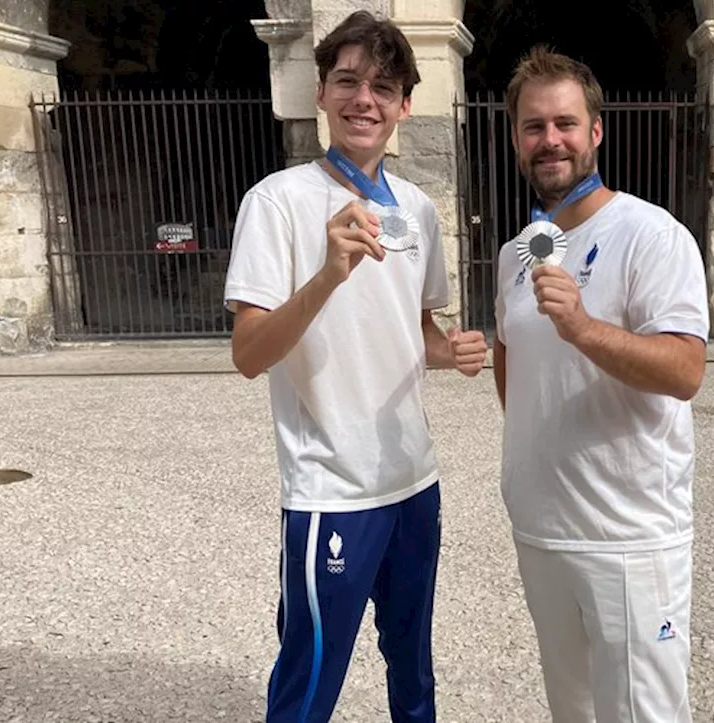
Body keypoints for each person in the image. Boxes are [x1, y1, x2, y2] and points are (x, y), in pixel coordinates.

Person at [222, 11, 488, 723]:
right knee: (310, 680)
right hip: (330, 491)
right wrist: (325, 276)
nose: (363, 98)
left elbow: (417, 330)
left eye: (383, 85)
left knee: (414, 669)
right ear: (320, 94)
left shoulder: (420, 211)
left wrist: (451, 349)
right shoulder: (277, 202)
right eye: (347, 80)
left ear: (405, 105)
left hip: (413, 481)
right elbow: (249, 354)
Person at [491, 45, 710, 723]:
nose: (549, 139)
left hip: (630, 537)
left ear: (595, 131)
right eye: (533, 126)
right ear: (517, 139)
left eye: (563, 123)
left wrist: (584, 329)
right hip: (543, 529)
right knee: (574, 711)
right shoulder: (515, 252)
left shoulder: (653, 236)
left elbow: (684, 370)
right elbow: (512, 362)